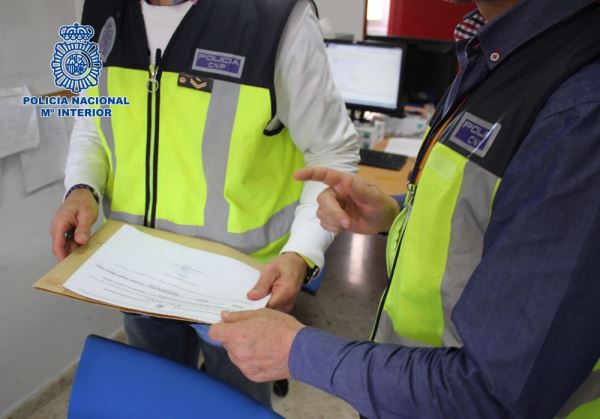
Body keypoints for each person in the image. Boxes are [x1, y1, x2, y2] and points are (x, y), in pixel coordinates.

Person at [209, 0, 600, 417]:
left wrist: (295, 349)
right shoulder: (496, 49)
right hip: (408, 389)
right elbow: (496, 213)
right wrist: (394, 215)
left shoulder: (578, 104)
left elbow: (490, 393)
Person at [49, 0, 359, 407]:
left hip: (239, 287)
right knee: (154, 405)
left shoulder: (278, 18)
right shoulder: (98, 9)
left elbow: (331, 156)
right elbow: (93, 114)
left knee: (234, 408)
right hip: (136, 275)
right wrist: (82, 187)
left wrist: (303, 253)